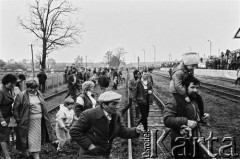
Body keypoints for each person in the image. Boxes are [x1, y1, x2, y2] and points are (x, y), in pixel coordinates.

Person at [70, 91, 143, 158]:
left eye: (118, 103)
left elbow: (122, 131)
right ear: (104, 105)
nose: (117, 106)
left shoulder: (115, 116)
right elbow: (74, 131)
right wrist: (89, 146)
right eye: (114, 104)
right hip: (90, 155)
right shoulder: (89, 115)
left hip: (104, 153)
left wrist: (136, 130)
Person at [164, 76, 209, 158]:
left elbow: (193, 115)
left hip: (195, 139)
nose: (195, 90)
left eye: (197, 87)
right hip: (180, 140)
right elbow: (167, 120)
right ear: (184, 87)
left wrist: (201, 117)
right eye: (192, 87)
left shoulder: (194, 99)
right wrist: (186, 122)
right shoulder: (174, 100)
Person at [13, 80, 54, 159]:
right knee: (32, 138)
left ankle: (32, 153)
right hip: (27, 121)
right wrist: (18, 119)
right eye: (30, 88)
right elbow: (15, 108)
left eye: (34, 88)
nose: (32, 90)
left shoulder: (39, 93)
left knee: (37, 138)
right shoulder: (21, 95)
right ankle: (36, 156)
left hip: (39, 121)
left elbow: (43, 106)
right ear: (27, 87)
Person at [169, 52, 205, 122]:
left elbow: (191, 77)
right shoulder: (179, 72)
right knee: (181, 103)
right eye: (193, 66)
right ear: (187, 64)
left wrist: (196, 82)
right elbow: (178, 85)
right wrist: (185, 96)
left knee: (199, 98)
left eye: (195, 66)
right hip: (176, 89)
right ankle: (182, 121)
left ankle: (201, 116)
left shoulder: (189, 68)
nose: (194, 67)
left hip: (184, 86)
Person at [0, 74, 17, 159]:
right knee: (3, 137)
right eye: (11, 83)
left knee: (3, 135)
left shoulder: (8, 88)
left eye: (14, 83)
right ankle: (7, 157)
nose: (13, 85)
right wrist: (1, 120)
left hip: (6, 116)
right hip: (1, 117)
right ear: (6, 82)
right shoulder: (1, 91)